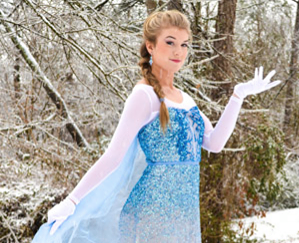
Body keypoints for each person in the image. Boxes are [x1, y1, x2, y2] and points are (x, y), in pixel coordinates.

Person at [32, 10, 281, 243]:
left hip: (184, 216)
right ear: (151, 46)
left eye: (184, 44)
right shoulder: (144, 96)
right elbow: (113, 156)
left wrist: (238, 96)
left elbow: (215, 143)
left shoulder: (186, 99)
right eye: (170, 42)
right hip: (149, 214)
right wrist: (73, 200)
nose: (179, 51)